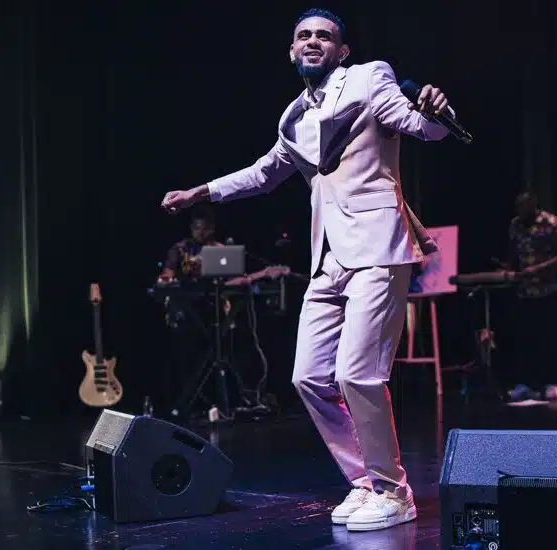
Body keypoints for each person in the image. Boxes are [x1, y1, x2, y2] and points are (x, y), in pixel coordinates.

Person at [160, 8, 451, 532]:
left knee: (357, 373)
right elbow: (265, 172)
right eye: (302, 36)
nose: (312, 41)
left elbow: (413, 123)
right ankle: (365, 482)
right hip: (327, 257)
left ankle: (393, 489)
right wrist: (201, 192)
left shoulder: (368, 77)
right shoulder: (293, 116)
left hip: (377, 246)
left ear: (341, 51)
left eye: (324, 35)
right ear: (292, 52)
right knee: (309, 376)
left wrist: (433, 114)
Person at [502, 192, 557, 403]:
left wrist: (539, 269)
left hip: (549, 290)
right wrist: (510, 270)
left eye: (524, 210)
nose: (521, 214)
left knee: (548, 339)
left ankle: (550, 383)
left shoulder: (553, 223)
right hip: (525, 291)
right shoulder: (515, 225)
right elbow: (514, 251)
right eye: (518, 210)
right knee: (525, 339)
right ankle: (526, 384)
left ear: (534, 207)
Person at [159, 206, 222, 282]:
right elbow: (168, 272)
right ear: (191, 227)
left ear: (212, 229)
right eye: (197, 228)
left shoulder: (221, 249)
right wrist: (166, 278)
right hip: (185, 291)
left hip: (214, 290)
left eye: (205, 229)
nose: (200, 233)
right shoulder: (179, 248)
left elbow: (233, 277)